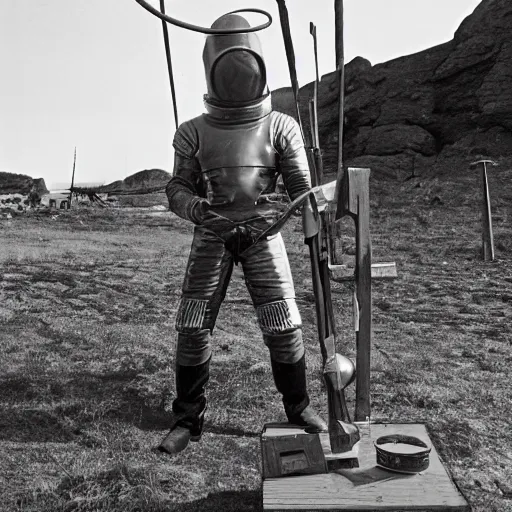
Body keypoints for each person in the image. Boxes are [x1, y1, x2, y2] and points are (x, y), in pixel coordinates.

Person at [160, 13, 327, 455]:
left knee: (284, 324)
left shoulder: (281, 126)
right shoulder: (192, 131)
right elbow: (177, 187)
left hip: (262, 233)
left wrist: (299, 213)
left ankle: (298, 407)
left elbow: (300, 191)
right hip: (211, 232)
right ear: (213, 66)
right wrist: (200, 210)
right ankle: (187, 417)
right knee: (193, 325)